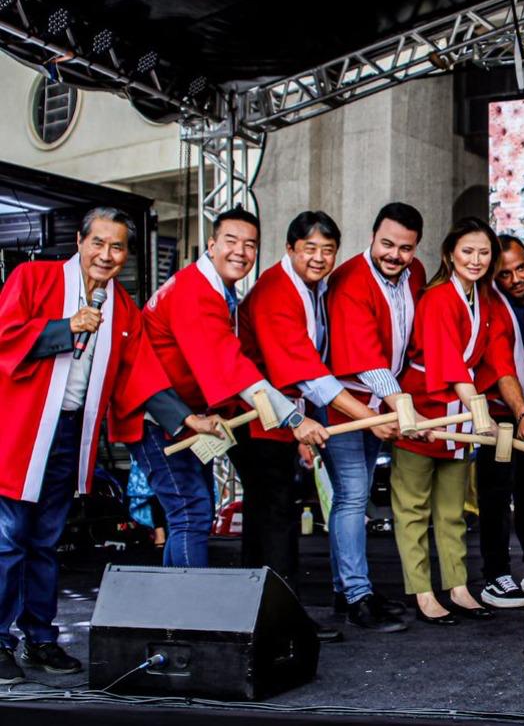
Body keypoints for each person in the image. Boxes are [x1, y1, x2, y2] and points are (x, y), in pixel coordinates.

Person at [0, 208, 222, 682]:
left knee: (45, 540)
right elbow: (4, 336)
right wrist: (66, 328)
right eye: (98, 243)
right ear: (79, 241)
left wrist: (186, 418)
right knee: (9, 538)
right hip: (19, 432)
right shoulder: (33, 278)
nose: (106, 254)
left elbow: (139, 372)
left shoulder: (123, 306)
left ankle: (40, 637)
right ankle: (1, 640)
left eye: (117, 247)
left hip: (68, 434)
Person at [238, 211, 408, 635]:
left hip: (290, 417)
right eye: (309, 249)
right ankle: (286, 616)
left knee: (280, 514)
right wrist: (372, 416)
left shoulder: (314, 287)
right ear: (290, 248)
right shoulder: (275, 292)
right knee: (276, 518)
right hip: (260, 418)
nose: (318, 258)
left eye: (327, 250)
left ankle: (295, 607)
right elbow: (308, 374)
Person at [133, 208, 330, 570]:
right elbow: (231, 366)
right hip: (159, 416)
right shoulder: (194, 290)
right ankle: (191, 615)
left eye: (250, 244)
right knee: (191, 513)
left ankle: (177, 610)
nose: (241, 251)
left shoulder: (220, 290)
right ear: (211, 245)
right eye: (231, 241)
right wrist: (294, 418)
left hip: (190, 418)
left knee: (193, 513)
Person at [394, 217, 512, 625]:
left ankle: (458, 586)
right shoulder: (438, 297)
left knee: (452, 509)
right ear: (449, 254)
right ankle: (423, 592)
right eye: (468, 251)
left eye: (483, 252)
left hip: (460, 414)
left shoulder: (485, 300)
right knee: (413, 507)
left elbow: (493, 358)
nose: (476, 260)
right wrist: (482, 413)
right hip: (425, 409)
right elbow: (445, 360)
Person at [325, 203, 424, 628]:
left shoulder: (415, 273)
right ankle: (357, 594)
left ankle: (345, 590)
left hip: (382, 403)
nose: (395, 255)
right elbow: (364, 358)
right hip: (344, 403)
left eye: (405, 248)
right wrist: (402, 406)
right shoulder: (348, 280)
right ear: (372, 236)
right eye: (387, 244)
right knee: (350, 496)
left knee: (355, 495)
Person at [476, 235, 524, 608]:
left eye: (520, 267)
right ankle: (495, 574)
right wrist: (521, 412)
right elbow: (502, 364)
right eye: (504, 274)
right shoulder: (488, 301)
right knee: (495, 493)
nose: (516, 278)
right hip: (500, 411)